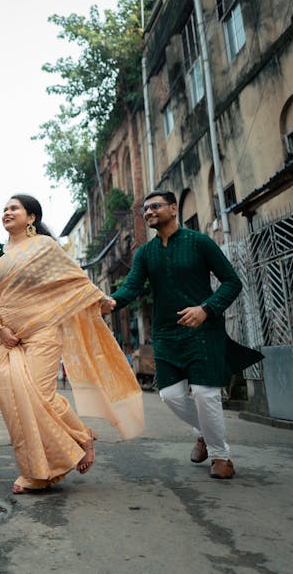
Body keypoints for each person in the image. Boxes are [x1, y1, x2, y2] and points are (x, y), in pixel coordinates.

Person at [0, 194, 144, 495]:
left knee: (40, 394)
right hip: (8, 336)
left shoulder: (45, 248)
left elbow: (73, 281)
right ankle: (48, 461)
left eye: (14, 208)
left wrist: (100, 299)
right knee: (10, 395)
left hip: (43, 329)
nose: (6, 212)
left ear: (31, 218)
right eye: (4, 209)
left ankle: (64, 452)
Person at [100, 191, 263, 480]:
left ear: (173, 209)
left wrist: (206, 309)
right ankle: (204, 432)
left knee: (204, 393)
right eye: (145, 209)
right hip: (166, 334)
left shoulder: (199, 242)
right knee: (170, 395)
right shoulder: (146, 253)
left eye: (155, 206)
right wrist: (113, 301)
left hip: (203, 330)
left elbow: (232, 282)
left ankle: (220, 456)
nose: (149, 212)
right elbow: (132, 286)